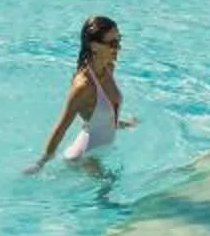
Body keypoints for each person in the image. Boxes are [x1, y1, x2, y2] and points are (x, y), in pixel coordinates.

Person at [27, 15, 133, 173]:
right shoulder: (83, 86)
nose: (118, 48)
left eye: (119, 41)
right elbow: (61, 127)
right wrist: (41, 163)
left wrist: (121, 123)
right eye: (113, 44)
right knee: (109, 188)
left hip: (98, 149)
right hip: (83, 157)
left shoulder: (108, 67)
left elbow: (99, 113)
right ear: (94, 46)